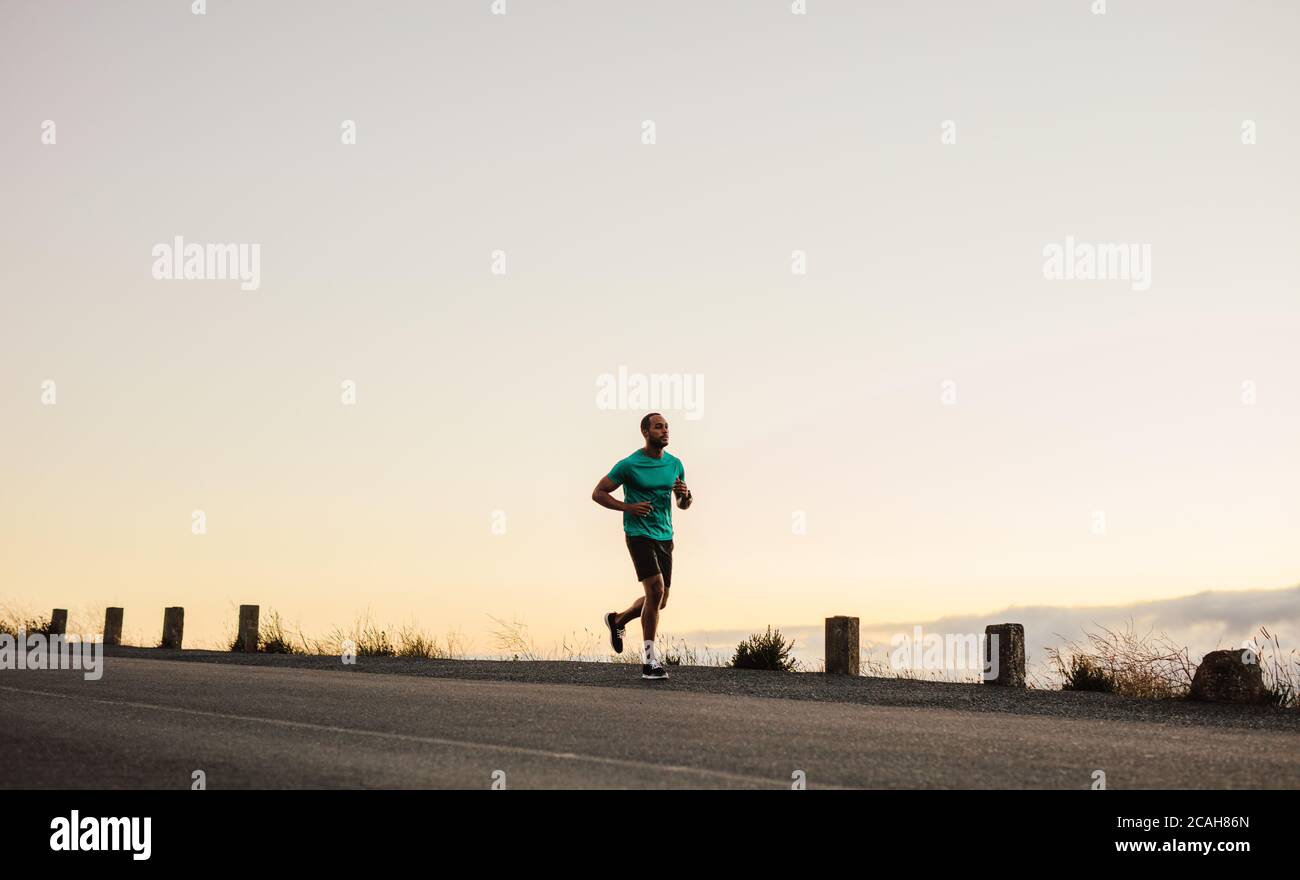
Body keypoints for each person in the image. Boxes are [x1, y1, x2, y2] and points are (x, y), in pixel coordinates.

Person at [591, 412, 692, 679]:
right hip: (638, 534)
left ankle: (617, 620)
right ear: (645, 432)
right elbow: (598, 493)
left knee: (661, 600)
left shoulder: (675, 464)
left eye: (667, 427)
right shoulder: (629, 465)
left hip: (665, 536)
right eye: (659, 427)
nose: (665, 431)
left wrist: (685, 497)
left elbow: (683, 504)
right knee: (655, 589)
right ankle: (649, 662)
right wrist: (628, 507)